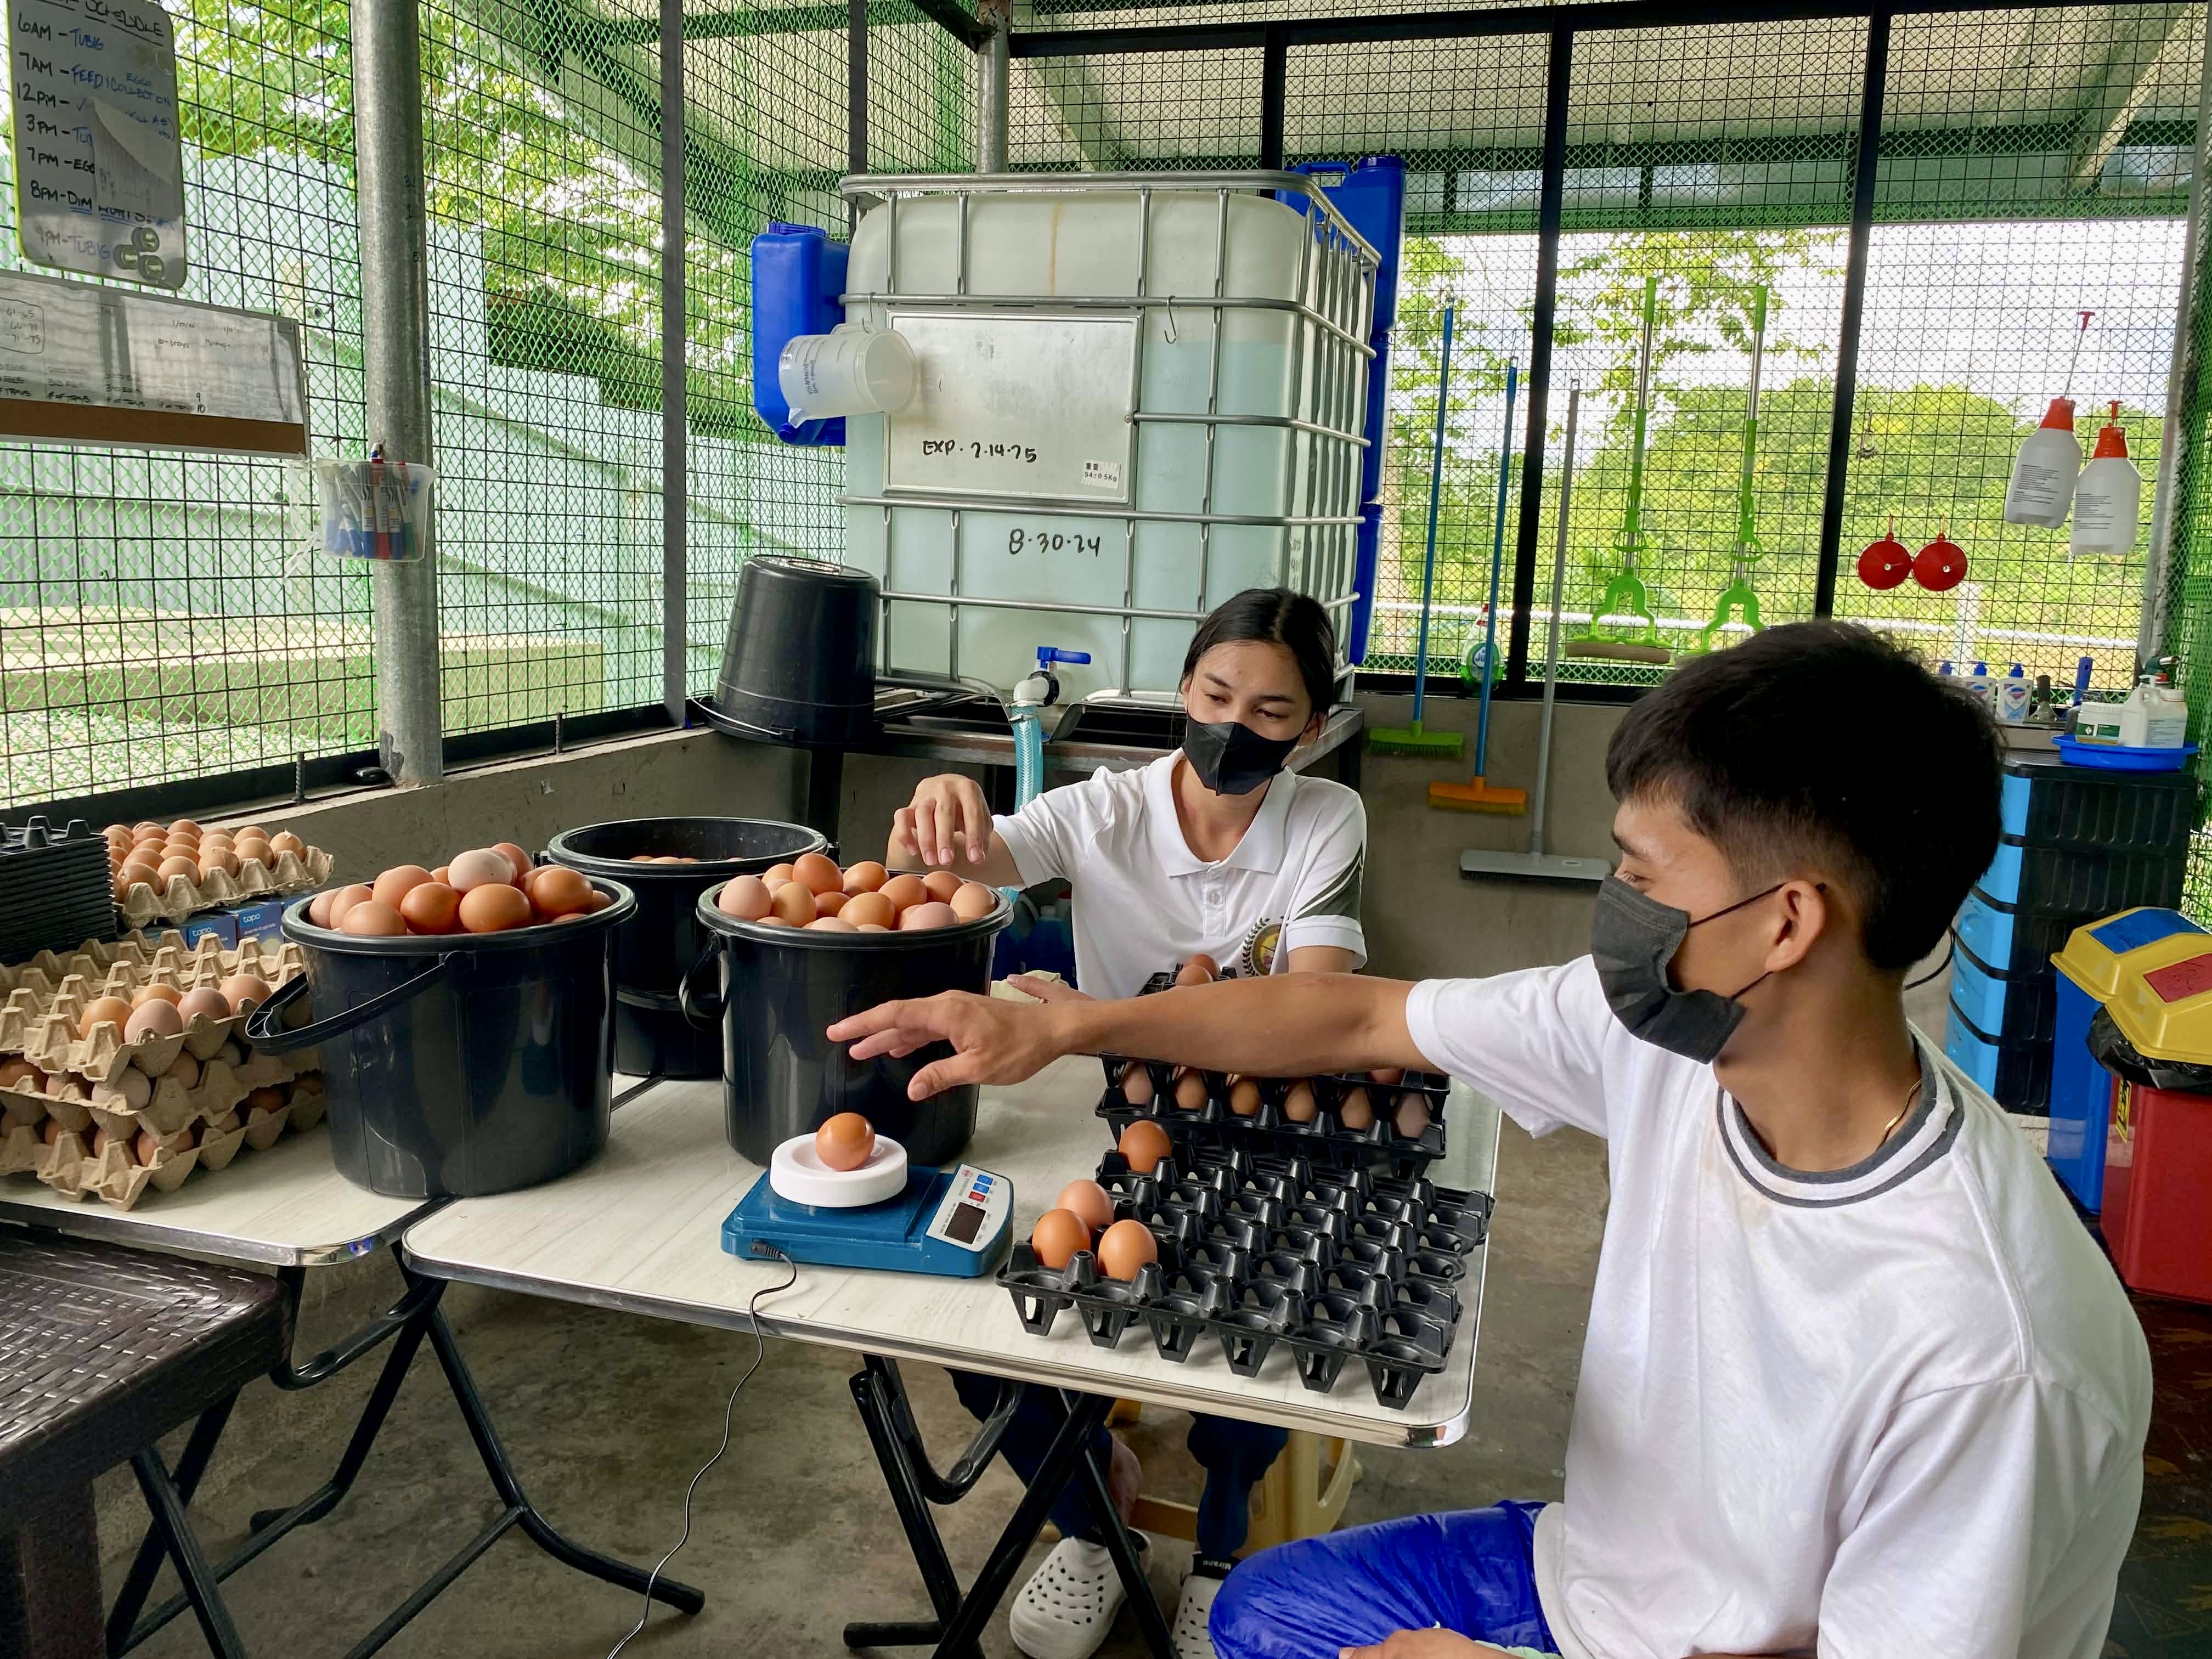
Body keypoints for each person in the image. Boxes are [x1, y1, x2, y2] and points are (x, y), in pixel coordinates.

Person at [837, 621, 2154, 1659]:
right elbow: (1356, 1013)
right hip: (1604, 1574)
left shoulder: (1988, 1354)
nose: (1614, 908)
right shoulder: (1662, 1041)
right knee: (1257, 1621)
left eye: (1641, 874)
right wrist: (1066, 1033)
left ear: (1787, 923)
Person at [890, 588, 1367, 1659]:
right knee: (988, 1338)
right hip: (1115, 1120)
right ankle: (1092, 1517)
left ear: (1315, 729)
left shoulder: (1324, 821)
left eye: (1273, 713)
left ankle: (1220, 1554)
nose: (1234, 726)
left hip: (1249, 1135)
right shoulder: (1106, 809)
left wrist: (1091, 1019)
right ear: (1182, 690)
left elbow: (1309, 1007)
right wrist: (940, 811)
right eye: (1214, 693)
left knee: (1259, 1337)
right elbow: (974, 862)